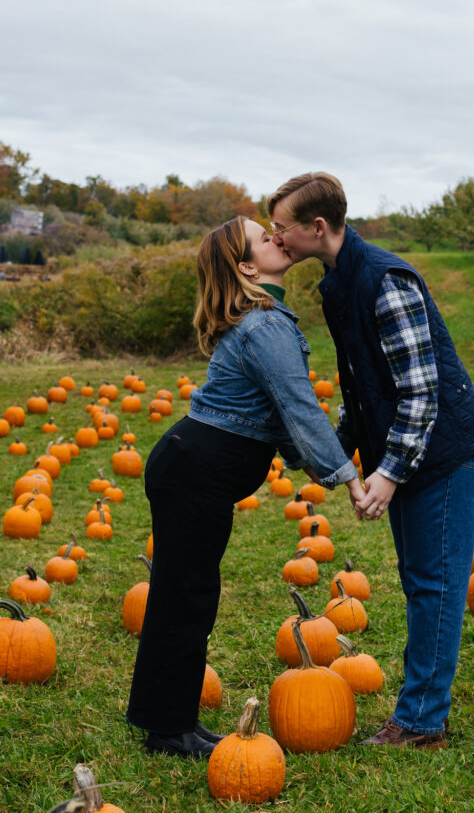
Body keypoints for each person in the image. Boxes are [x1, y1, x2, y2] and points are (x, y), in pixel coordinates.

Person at [267, 173, 474, 750]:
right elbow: (365, 384)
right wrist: (335, 449)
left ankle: (422, 722)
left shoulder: (384, 282)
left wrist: (389, 472)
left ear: (316, 228)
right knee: (422, 580)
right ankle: (422, 712)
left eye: (281, 228)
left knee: (437, 585)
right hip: (411, 445)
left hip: (442, 452)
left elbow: (421, 393)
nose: (277, 239)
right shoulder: (342, 279)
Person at [126, 215, 364, 758]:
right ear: (248, 266)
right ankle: (169, 730)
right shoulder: (263, 327)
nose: (278, 237)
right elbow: (299, 406)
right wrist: (345, 477)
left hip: (193, 469)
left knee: (185, 595)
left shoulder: (267, 321)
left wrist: (317, 466)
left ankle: (170, 719)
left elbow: (281, 418)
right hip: (194, 471)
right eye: (265, 236)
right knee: (185, 596)